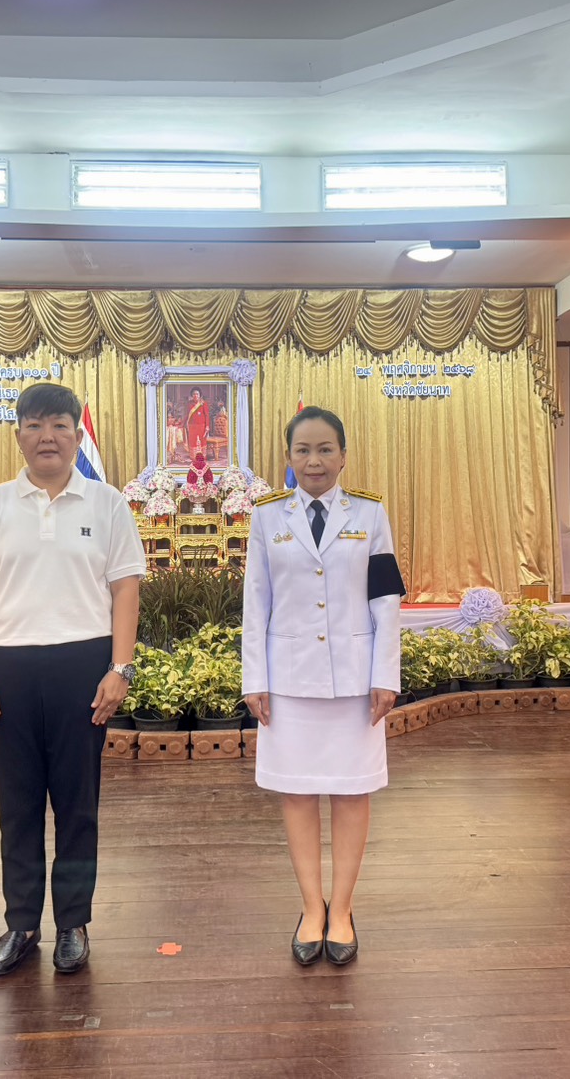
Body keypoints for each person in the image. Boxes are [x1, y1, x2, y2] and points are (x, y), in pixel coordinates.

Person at [0, 383, 145, 976]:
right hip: (6, 668)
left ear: (77, 434)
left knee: (77, 804)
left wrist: (119, 668)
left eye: (59, 425)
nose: (47, 437)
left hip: (81, 668)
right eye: (34, 425)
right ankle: (22, 923)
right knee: (18, 804)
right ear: (18, 436)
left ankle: (74, 924)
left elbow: (126, 589)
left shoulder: (107, 504)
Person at [241, 406, 404, 967]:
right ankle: (312, 908)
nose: (314, 460)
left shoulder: (370, 514)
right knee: (297, 792)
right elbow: (256, 601)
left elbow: (386, 599)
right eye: (303, 450)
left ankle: (343, 910)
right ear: (288, 458)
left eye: (325, 449)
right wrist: (255, 680)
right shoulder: (267, 516)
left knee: (353, 792)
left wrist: (385, 675)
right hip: (288, 680)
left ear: (343, 455)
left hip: (356, 680)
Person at [185, 387, 210, 455]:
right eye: (194, 394)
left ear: (199, 395)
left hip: (201, 425)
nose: (195, 395)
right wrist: (183, 424)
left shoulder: (203, 403)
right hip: (191, 426)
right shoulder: (189, 404)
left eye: (197, 394)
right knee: (192, 441)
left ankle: (202, 456)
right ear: (192, 395)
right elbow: (187, 415)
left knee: (202, 441)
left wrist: (207, 426)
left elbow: (207, 415)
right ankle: (193, 456)